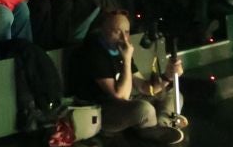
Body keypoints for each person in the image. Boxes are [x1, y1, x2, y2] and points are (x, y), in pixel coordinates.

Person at [66, 9, 184, 139]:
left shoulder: (119, 48)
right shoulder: (95, 52)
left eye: (126, 32)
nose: (123, 38)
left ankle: (163, 124)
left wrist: (167, 76)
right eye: (117, 32)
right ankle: (152, 131)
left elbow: (145, 88)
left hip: (125, 103)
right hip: (103, 111)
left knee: (174, 94)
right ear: (103, 31)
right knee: (144, 109)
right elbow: (120, 96)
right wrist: (127, 60)